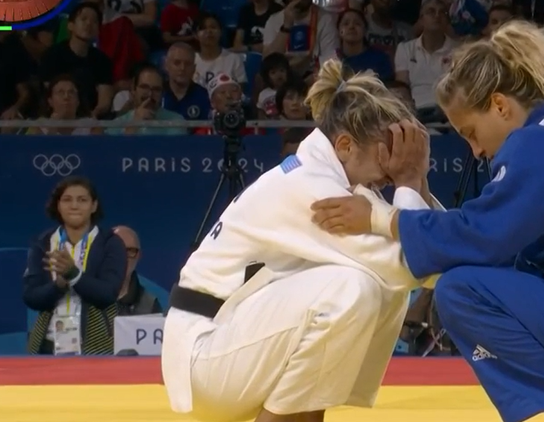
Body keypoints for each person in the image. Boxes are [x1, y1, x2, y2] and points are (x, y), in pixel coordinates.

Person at [310, 20, 544, 422]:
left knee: (461, 291)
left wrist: (379, 217)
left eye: (471, 132)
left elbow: (484, 237)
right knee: (509, 275)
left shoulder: (542, 141)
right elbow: (496, 242)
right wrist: (421, 206)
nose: (476, 150)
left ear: (499, 106)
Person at [161, 59, 442, 422]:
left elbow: (434, 261)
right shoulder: (311, 189)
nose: (387, 176)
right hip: (206, 356)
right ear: (344, 145)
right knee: (352, 288)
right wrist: (408, 181)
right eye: (385, 161)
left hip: (232, 346)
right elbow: (413, 265)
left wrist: (416, 183)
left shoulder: (338, 179)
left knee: (374, 287)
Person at [22, 176, 127, 355]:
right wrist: (59, 284)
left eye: (82, 200)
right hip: (48, 345)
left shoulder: (111, 243)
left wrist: (74, 275)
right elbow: (31, 297)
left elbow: (108, 293)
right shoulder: (43, 243)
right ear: (58, 205)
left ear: (93, 206)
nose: (74, 206)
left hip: (95, 346)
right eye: (67, 200)